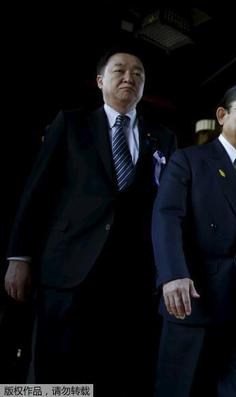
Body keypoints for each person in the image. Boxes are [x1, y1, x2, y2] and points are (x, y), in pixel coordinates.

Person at [4, 47, 176, 395]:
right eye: (120, 71)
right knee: (57, 374)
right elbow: (37, 192)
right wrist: (19, 257)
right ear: (100, 81)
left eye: (138, 73)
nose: (130, 78)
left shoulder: (163, 138)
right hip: (68, 268)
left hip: (130, 277)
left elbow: (167, 209)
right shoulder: (71, 124)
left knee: (115, 370)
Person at [152, 84, 236, 397]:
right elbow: (167, 217)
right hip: (193, 300)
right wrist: (173, 274)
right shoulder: (189, 160)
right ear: (222, 115)